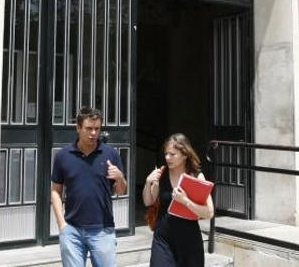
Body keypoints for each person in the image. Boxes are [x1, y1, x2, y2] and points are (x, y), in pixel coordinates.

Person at [51, 107, 127, 267]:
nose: (93, 133)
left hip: (102, 230)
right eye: (89, 128)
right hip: (72, 231)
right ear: (78, 128)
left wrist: (120, 178)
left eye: (97, 129)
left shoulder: (111, 154)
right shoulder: (63, 156)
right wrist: (62, 225)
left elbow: (121, 190)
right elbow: (55, 191)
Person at [142, 133, 214, 267]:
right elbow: (148, 201)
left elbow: (209, 212)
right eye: (166, 154)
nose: (167, 158)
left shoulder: (196, 177)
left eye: (172, 154)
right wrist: (148, 183)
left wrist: (185, 200)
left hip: (189, 241)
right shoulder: (162, 173)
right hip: (163, 239)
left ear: (185, 155)